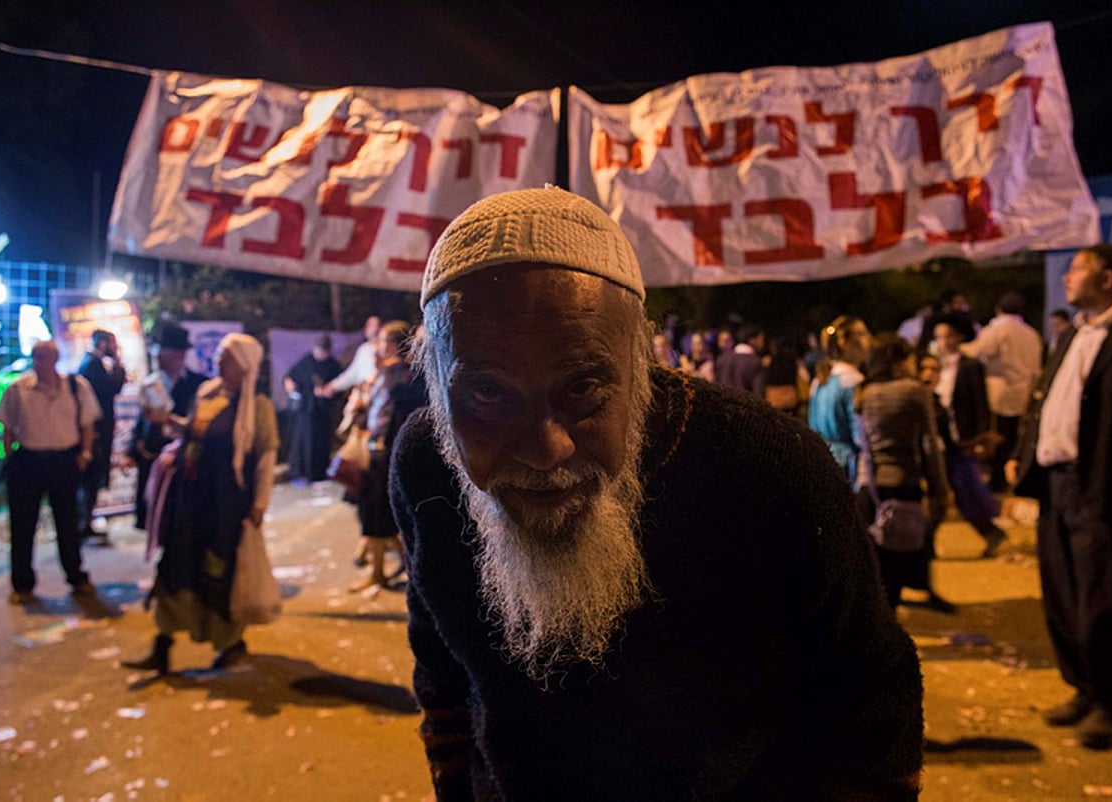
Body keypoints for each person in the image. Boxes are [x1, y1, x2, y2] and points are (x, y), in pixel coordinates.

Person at [390, 187, 923, 799]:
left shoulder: (768, 466)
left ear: (641, 356)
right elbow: (441, 668)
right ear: (432, 375)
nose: (544, 450)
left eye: (584, 387)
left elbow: (872, 700)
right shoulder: (427, 463)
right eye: (487, 395)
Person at [1007, 244, 1112, 750]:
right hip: (1058, 485)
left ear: (1109, 277)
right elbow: (1046, 399)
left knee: (1107, 601)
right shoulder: (1073, 332)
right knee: (1062, 594)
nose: (1068, 278)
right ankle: (1084, 688)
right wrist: (1023, 452)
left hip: (1108, 489)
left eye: (1077, 269)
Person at [122, 333, 280, 674]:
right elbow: (191, 433)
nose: (218, 362)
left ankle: (232, 642)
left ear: (245, 365)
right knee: (176, 564)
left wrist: (259, 504)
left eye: (226, 357)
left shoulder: (258, 406)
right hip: (190, 495)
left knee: (218, 571)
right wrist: (167, 422)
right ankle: (162, 646)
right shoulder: (206, 392)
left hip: (226, 503)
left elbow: (266, 457)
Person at [0, 340, 101, 605]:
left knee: (67, 522)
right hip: (29, 460)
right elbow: (7, 427)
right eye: (36, 356)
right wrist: (11, 458)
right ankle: (22, 584)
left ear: (55, 358)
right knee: (22, 525)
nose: (39, 362)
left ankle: (76, 577)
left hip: (64, 460)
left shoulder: (76, 387)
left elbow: (88, 423)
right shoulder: (18, 389)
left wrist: (84, 453)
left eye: (44, 356)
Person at [857, 334, 952, 612]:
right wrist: (940, 487)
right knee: (902, 555)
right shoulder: (913, 391)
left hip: (871, 486)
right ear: (899, 360)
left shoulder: (866, 392)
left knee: (880, 561)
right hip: (903, 481)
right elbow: (929, 445)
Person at [347, 320, 426, 593]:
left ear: (395, 345)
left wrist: (385, 373)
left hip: (390, 451)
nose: (378, 347)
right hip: (375, 448)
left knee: (381, 514)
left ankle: (401, 569)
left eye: (383, 341)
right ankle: (384, 569)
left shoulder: (407, 373)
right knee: (374, 513)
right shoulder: (385, 373)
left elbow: (401, 402)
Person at [930, 317, 1008, 557]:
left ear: (958, 337)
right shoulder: (934, 365)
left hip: (961, 438)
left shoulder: (970, 366)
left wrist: (982, 436)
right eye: (939, 337)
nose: (943, 342)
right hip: (939, 438)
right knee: (941, 493)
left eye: (947, 336)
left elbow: (979, 401)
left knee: (965, 489)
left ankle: (989, 530)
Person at [960, 291, 1042, 490]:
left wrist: (958, 346)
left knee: (997, 438)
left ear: (998, 309)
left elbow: (977, 351)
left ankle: (997, 482)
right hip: (1024, 393)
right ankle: (1011, 479)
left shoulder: (998, 329)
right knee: (1016, 439)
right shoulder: (1032, 334)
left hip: (999, 393)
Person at [130, 324, 206, 530]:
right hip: (153, 455)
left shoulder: (198, 385)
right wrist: (134, 446)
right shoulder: (151, 383)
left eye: (165, 353)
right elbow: (142, 419)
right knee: (155, 514)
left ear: (179, 355)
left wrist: (169, 419)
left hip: (181, 457)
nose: (160, 359)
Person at [76, 329, 126, 546]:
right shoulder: (91, 366)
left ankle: (85, 523)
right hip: (95, 433)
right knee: (90, 478)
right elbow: (110, 390)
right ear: (103, 343)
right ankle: (82, 525)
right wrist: (117, 365)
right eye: (111, 343)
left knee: (93, 479)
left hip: (99, 431)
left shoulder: (92, 364)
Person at [808, 315, 871, 484]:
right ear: (844, 342)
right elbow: (860, 435)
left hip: (824, 461)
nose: (868, 339)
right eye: (862, 333)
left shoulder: (820, 380)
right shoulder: (853, 380)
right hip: (850, 466)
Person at [284, 334, 342, 484]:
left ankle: (318, 473)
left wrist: (327, 392)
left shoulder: (333, 366)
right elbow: (291, 376)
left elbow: (339, 388)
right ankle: (299, 472)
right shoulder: (306, 361)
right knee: (301, 441)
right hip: (305, 410)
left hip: (322, 411)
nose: (320, 354)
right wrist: (290, 385)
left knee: (320, 442)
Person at [320, 315, 381, 398]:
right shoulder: (364, 349)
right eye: (371, 326)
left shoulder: (387, 350)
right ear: (365, 329)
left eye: (377, 325)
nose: (375, 329)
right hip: (367, 397)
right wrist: (333, 386)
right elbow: (353, 373)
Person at [713, 323, 767, 394]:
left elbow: (715, 389)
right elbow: (759, 394)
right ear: (752, 340)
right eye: (761, 339)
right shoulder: (755, 362)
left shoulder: (722, 359)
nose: (763, 343)